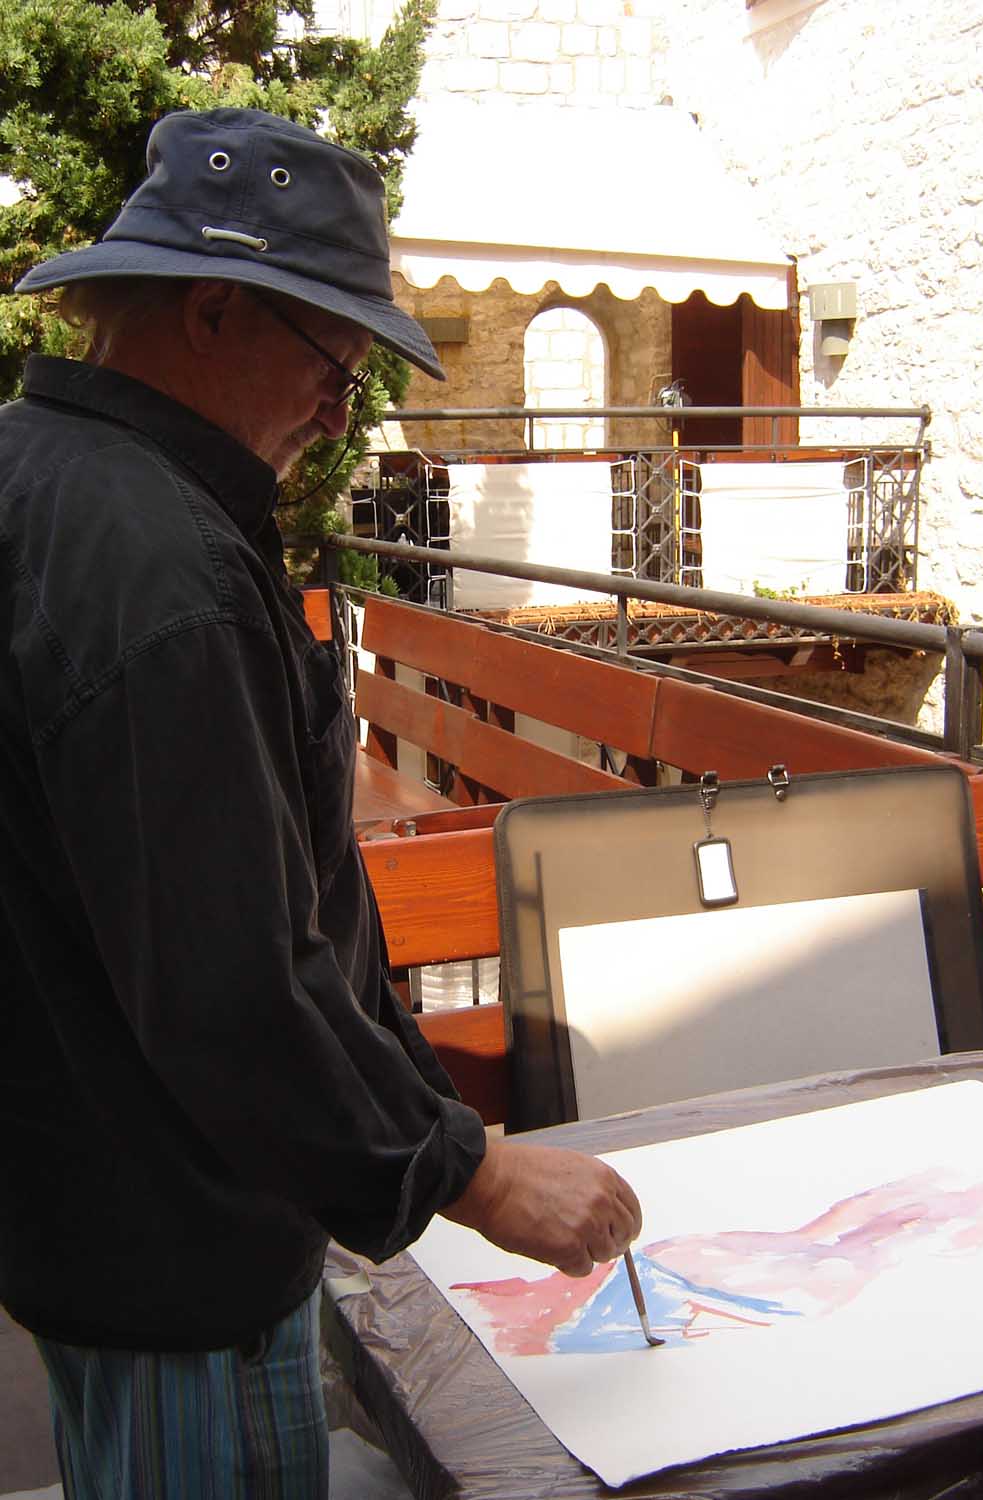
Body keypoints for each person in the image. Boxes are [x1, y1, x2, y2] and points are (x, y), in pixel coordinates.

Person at [0, 107, 642, 1496]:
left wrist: (427, 1122)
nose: (341, 415)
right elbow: (229, 980)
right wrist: (471, 1177)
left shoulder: (39, 471)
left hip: (89, 1206)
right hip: (181, 1252)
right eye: (336, 365)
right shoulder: (157, 563)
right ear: (215, 311)